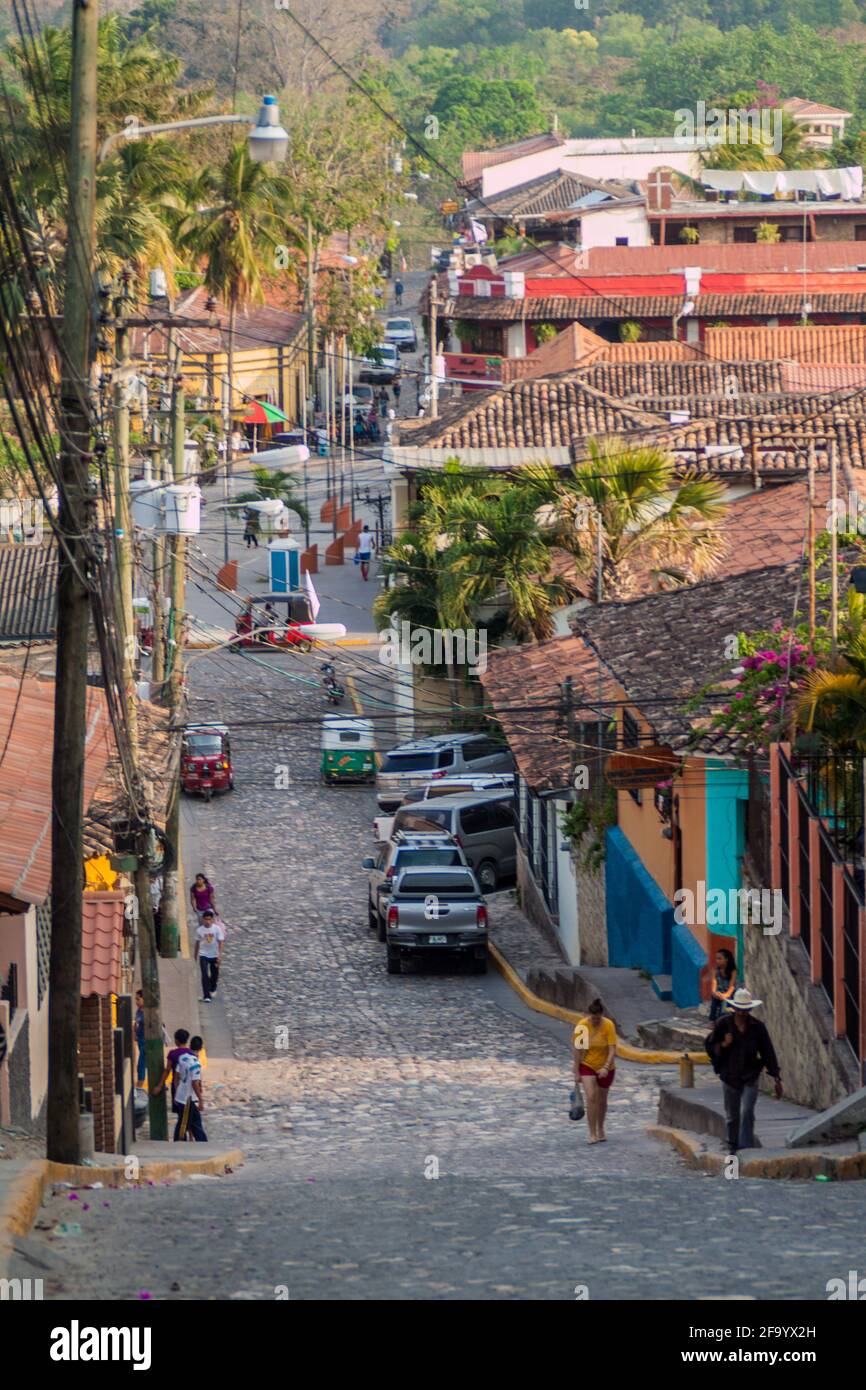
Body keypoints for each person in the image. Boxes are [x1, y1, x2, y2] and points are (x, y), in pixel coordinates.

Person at [706, 988, 782, 1154]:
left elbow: (768, 1051)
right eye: (739, 1009)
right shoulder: (723, 1024)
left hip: (750, 1076)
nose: (742, 1012)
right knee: (732, 1117)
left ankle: (746, 1149)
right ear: (734, 1008)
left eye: (745, 1009)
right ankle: (732, 1147)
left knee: (747, 1111)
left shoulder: (758, 1027)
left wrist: (776, 1077)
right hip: (730, 1076)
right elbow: (710, 1047)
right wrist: (724, 1045)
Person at [573, 997, 617, 1145]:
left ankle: (601, 1128)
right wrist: (576, 1071)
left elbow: (612, 1049)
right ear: (588, 1015)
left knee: (602, 1101)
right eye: (593, 1019)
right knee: (591, 1097)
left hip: (606, 1066)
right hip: (587, 1065)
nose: (595, 1022)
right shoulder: (583, 1026)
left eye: (598, 1019)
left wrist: (605, 1067)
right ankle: (592, 1133)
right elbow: (578, 1050)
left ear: (602, 1015)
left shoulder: (608, 1026)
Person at [154, 1027, 191, 1128]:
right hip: (189, 1087)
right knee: (189, 1113)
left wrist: (159, 1085)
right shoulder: (191, 1054)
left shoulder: (173, 1054)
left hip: (177, 1086)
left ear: (177, 1040)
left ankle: (180, 1136)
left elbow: (167, 1070)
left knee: (181, 1113)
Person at [173, 1036, 207, 1143]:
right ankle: (179, 1141)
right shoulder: (195, 1064)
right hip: (188, 1098)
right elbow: (194, 1083)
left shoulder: (182, 1058)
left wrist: (176, 1092)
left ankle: (203, 1142)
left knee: (195, 1122)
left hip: (181, 1095)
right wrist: (201, 1100)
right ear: (201, 1048)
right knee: (184, 1123)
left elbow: (176, 1077)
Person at [195, 909, 225, 1003]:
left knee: (214, 974)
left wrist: (220, 955)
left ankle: (213, 987)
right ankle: (206, 995)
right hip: (203, 954)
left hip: (214, 954)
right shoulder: (199, 930)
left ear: (212, 920)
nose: (207, 921)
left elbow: (221, 942)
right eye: (205, 919)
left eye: (209, 919)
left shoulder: (217, 929)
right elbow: (197, 943)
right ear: (203, 919)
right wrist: (195, 955)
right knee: (204, 974)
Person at [709, 947, 738, 1021]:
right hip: (718, 993)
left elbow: (732, 986)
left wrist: (725, 995)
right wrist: (715, 993)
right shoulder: (715, 970)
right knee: (714, 1005)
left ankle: (722, 1021)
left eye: (720, 958)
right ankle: (712, 1020)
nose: (717, 961)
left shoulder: (733, 971)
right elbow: (714, 982)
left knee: (724, 1005)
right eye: (716, 958)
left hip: (729, 993)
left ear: (726, 959)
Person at [134, 990, 147, 1086]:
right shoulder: (138, 1011)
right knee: (148, 1063)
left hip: (147, 1042)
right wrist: (135, 1032)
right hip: (140, 1040)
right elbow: (136, 1022)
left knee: (141, 1065)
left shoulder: (148, 1013)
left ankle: (139, 1086)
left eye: (138, 999)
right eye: (136, 999)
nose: (136, 1002)